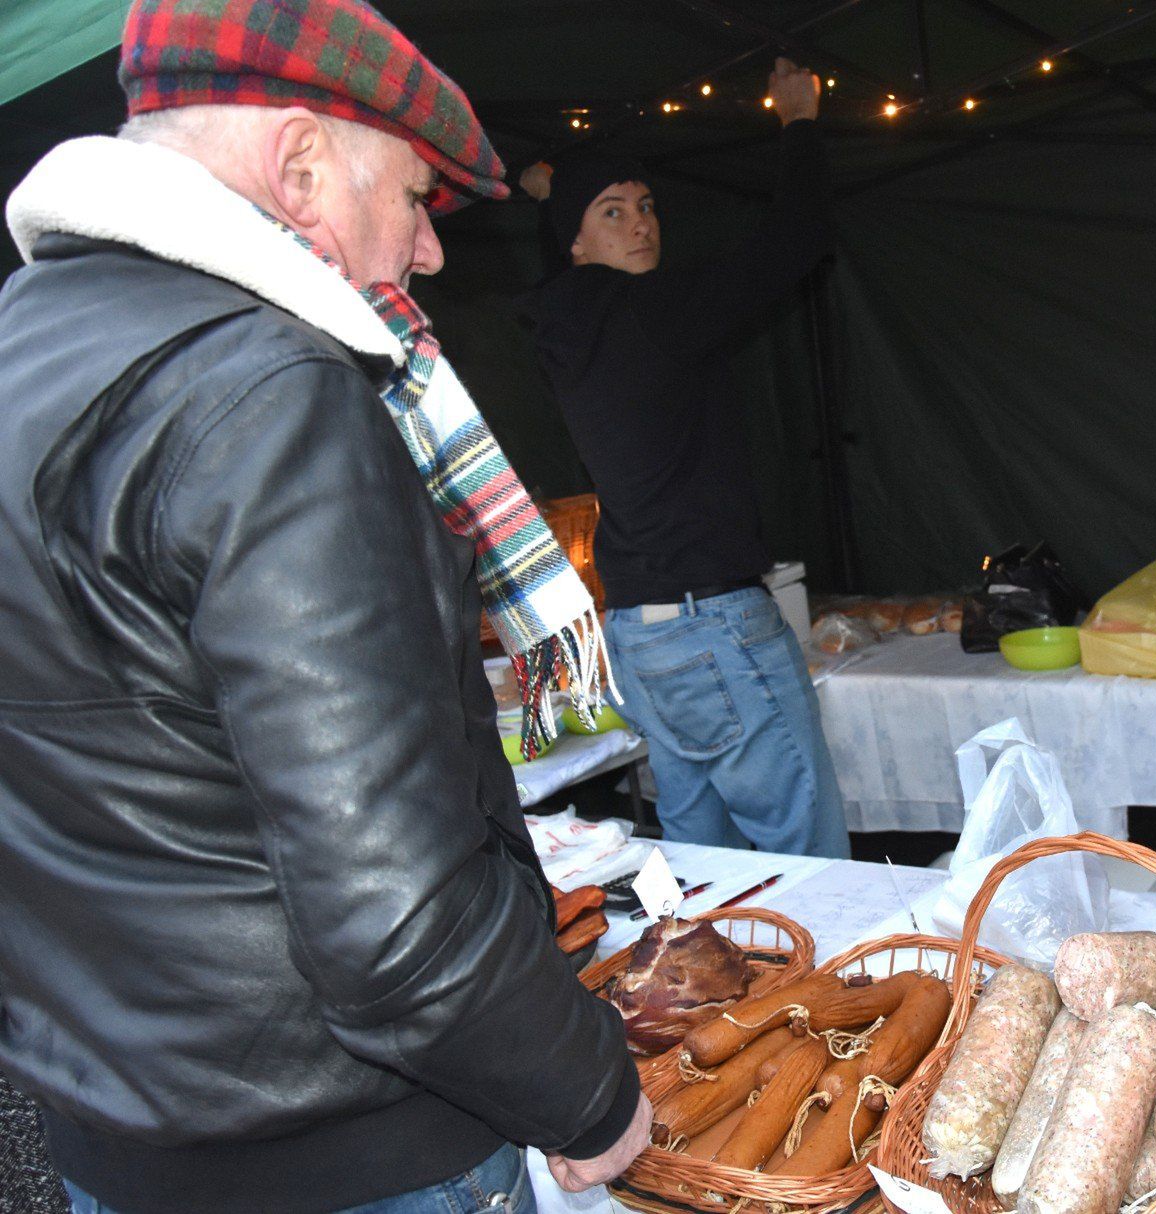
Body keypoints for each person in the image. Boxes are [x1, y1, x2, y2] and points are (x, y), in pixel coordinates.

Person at [0, 1, 649, 1209]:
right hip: (353, 1155)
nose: (429, 248)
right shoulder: (272, 395)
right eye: (411, 196)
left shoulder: (18, 352)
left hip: (116, 1142)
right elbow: (397, 931)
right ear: (301, 167)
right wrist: (590, 1092)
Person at [521, 58, 850, 859]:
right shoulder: (655, 311)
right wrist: (799, 121)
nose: (641, 224)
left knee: (705, 866)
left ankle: (710, 984)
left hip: (640, 631)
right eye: (613, 213)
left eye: (646, 206)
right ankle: (832, 988)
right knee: (803, 859)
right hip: (712, 626)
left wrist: (555, 190)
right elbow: (798, 237)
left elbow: (565, 228)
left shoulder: (564, 326)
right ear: (575, 244)